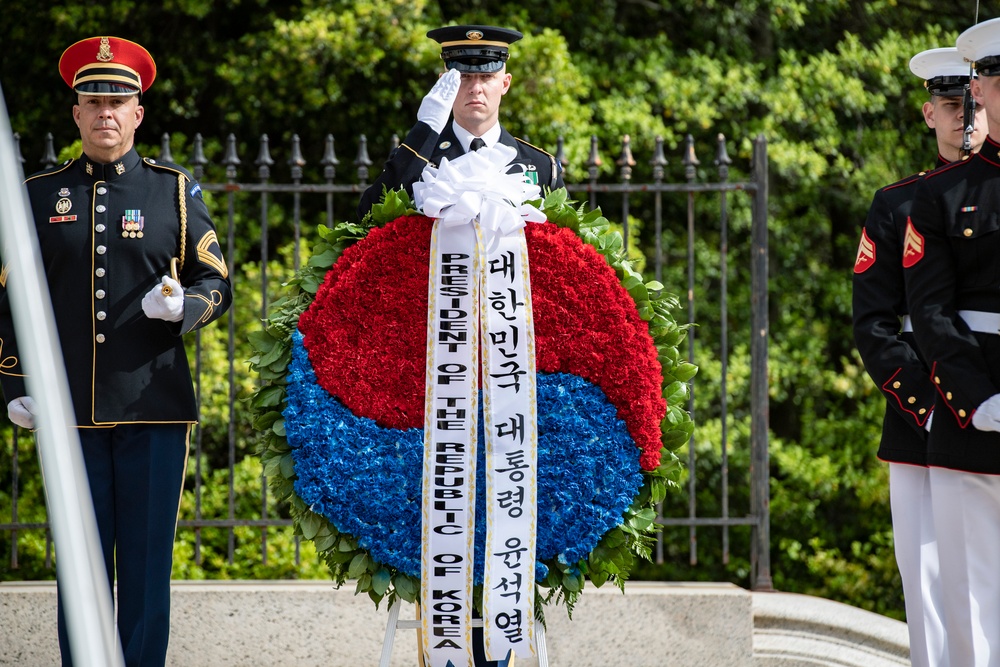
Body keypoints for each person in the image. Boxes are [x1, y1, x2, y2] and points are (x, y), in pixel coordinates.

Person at [0, 36, 232, 666]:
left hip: (153, 408)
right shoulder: (38, 193)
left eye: (118, 101)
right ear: (75, 113)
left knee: (148, 566)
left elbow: (218, 283)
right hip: (65, 410)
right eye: (93, 100)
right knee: (80, 570)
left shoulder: (175, 192)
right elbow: (8, 299)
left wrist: (182, 307)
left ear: (139, 114)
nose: (106, 111)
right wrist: (13, 381)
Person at [853, 45, 987, 667]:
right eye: (952, 105)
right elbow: (877, 324)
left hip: (981, 394)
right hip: (924, 417)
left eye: (972, 103)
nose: (965, 118)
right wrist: (932, 404)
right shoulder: (899, 204)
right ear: (929, 113)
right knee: (932, 581)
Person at [905, 17, 1000, 666]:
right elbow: (925, 313)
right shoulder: (934, 197)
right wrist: (975, 399)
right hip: (969, 413)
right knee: (969, 618)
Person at [357, 24, 564, 219]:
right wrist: (424, 131)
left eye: (487, 77)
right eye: (464, 76)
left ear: (505, 83)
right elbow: (368, 216)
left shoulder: (541, 166)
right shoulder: (417, 157)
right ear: (443, 81)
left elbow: (569, 244)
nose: (475, 88)